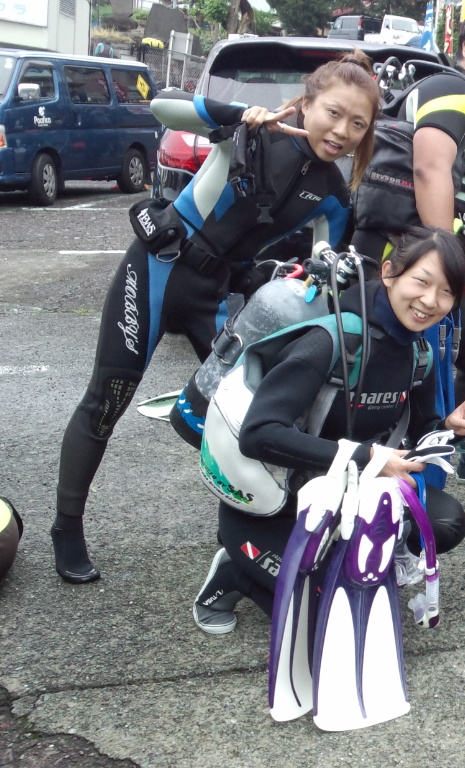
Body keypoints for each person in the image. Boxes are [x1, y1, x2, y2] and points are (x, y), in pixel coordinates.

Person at [52, 51, 380, 583]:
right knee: (107, 399)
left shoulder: (334, 197)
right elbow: (164, 106)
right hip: (160, 268)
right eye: (334, 113)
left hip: (218, 296)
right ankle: (66, 527)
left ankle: (243, 534)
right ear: (307, 102)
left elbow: (325, 259)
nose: (342, 131)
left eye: (358, 124)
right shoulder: (250, 133)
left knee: (247, 417)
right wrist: (235, 114)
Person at [192, 228, 465, 633]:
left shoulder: (417, 352)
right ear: (389, 273)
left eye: (446, 292)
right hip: (276, 506)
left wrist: (452, 430)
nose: (430, 301)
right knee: (334, 619)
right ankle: (235, 571)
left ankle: (339, 560)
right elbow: (258, 435)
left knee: (444, 522)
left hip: (347, 493)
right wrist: (366, 456)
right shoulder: (332, 341)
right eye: (421, 282)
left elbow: (422, 434)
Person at [351, 5, 465, 484]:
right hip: (402, 262)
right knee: (400, 360)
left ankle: (462, 454)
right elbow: (429, 167)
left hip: (432, 262)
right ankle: (392, 469)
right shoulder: (452, 90)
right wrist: (446, 267)